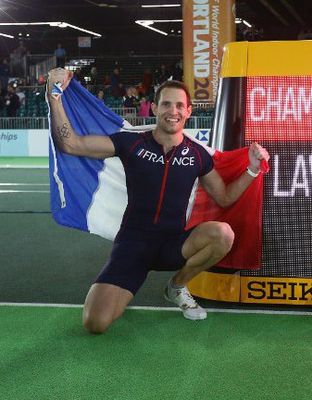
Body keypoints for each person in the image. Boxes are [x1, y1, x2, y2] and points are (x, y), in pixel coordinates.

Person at [46, 68, 269, 334]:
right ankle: (125, 287)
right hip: (132, 246)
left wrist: (252, 169)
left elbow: (225, 197)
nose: (172, 111)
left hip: (174, 245)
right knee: (95, 323)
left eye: (179, 106)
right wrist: (54, 96)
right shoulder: (131, 143)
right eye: (166, 104)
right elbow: (72, 144)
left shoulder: (198, 155)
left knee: (223, 234)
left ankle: (176, 287)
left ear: (188, 112)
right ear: (154, 107)